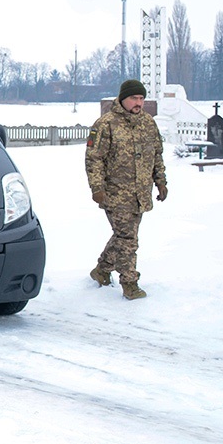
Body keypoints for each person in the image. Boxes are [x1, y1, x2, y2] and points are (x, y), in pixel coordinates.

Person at [85, 79, 168, 300]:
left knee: (123, 237)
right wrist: (97, 188)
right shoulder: (105, 124)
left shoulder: (148, 123)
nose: (138, 103)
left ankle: (102, 270)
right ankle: (130, 283)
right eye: (134, 98)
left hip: (140, 194)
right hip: (115, 194)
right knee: (128, 239)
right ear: (123, 99)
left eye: (141, 98)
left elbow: (156, 155)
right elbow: (94, 159)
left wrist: (161, 181)